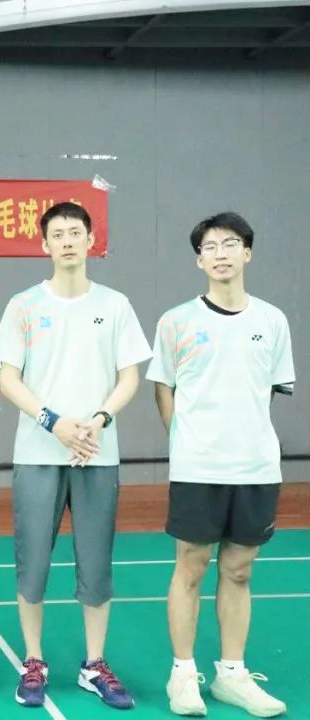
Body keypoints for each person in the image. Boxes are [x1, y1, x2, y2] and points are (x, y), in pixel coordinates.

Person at [0, 202, 151, 709]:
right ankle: (33, 661)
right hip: (38, 452)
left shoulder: (116, 305)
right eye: (57, 234)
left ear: (91, 241)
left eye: (75, 232)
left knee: (96, 564)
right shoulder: (23, 305)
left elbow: (129, 376)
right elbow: (9, 379)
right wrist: (54, 423)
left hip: (96, 453)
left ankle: (94, 664)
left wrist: (99, 419)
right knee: (33, 562)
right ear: (44, 245)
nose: (67, 241)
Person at [148, 212, 293, 718]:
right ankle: (183, 674)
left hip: (255, 468)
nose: (221, 253)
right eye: (209, 247)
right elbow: (163, 388)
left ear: (247, 252)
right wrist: (187, 441)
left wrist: (243, 438)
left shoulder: (272, 321)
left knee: (239, 571)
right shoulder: (176, 321)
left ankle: (231, 674)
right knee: (190, 567)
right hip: (197, 468)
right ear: (199, 260)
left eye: (230, 244)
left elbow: (266, 393)